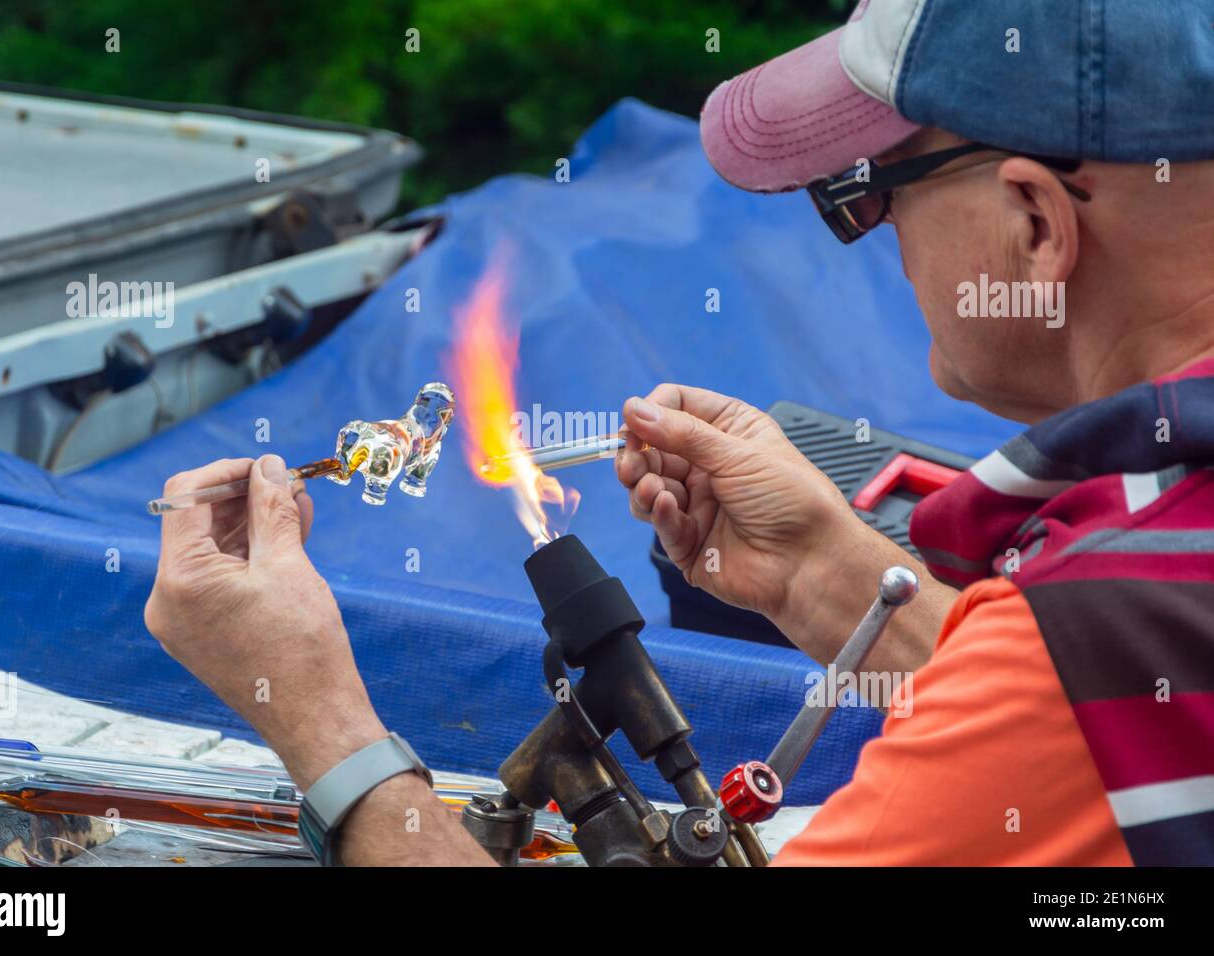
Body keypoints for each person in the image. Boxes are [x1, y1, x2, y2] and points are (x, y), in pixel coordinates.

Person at [145, 0, 1214, 866]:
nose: (867, 235)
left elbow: (1055, 706)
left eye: (866, 192)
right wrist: (822, 574)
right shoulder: (1132, 610)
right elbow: (1090, 722)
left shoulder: (1089, 633)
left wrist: (325, 729)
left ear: (1034, 223)